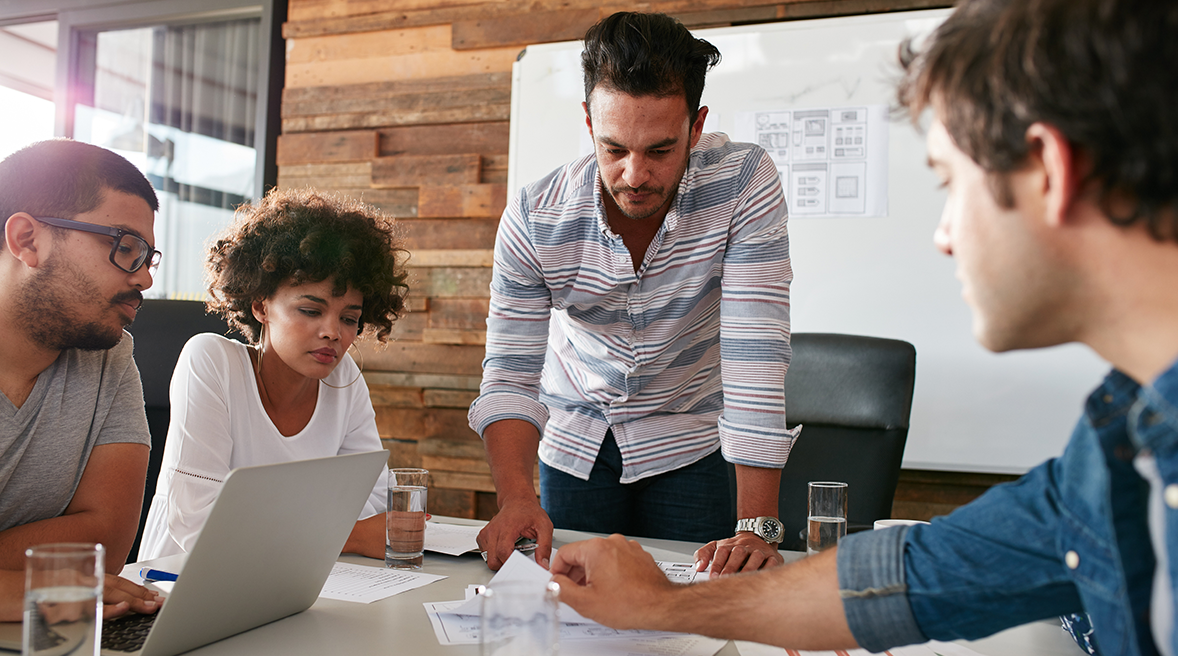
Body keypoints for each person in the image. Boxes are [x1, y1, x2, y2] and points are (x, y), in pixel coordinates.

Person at [548, 1, 1178, 656]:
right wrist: (663, 605)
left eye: (951, 182)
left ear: (1049, 171)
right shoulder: (1120, 446)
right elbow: (917, 575)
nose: (944, 236)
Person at [469, 11, 799, 573]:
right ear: (588, 121)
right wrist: (516, 498)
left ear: (696, 128)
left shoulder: (744, 183)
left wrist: (755, 527)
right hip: (577, 441)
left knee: (693, 610)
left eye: (661, 150)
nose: (635, 174)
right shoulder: (534, 216)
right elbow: (510, 373)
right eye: (614, 148)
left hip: (689, 438)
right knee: (575, 615)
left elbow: (755, 356)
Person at [138, 188, 407, 561]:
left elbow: (376, 503)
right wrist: (351, 537)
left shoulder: (343, 379)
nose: (333, 332)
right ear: (261, 305)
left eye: (349, 318)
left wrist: (283, 526)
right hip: (177, 587)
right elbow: (201, 527)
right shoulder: (211, 361)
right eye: (311, 311)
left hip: (296, 579)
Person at [0, 139, 164, 619]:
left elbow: (105, 547)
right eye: (123, 246)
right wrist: (15, 590)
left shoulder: (109, 356)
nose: (144, 280)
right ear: (28, 240)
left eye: (147, 256)